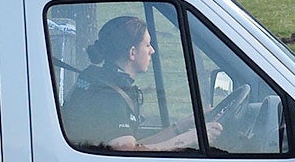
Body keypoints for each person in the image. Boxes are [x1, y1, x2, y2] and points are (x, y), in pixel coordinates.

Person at [63, 14, 198, 152]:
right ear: (132, 53)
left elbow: (133, 145)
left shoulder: (101, 82)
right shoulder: (108, 94)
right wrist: (187, 140)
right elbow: (128, 151)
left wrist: (183, 126)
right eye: (147, 45)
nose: (152, 50)